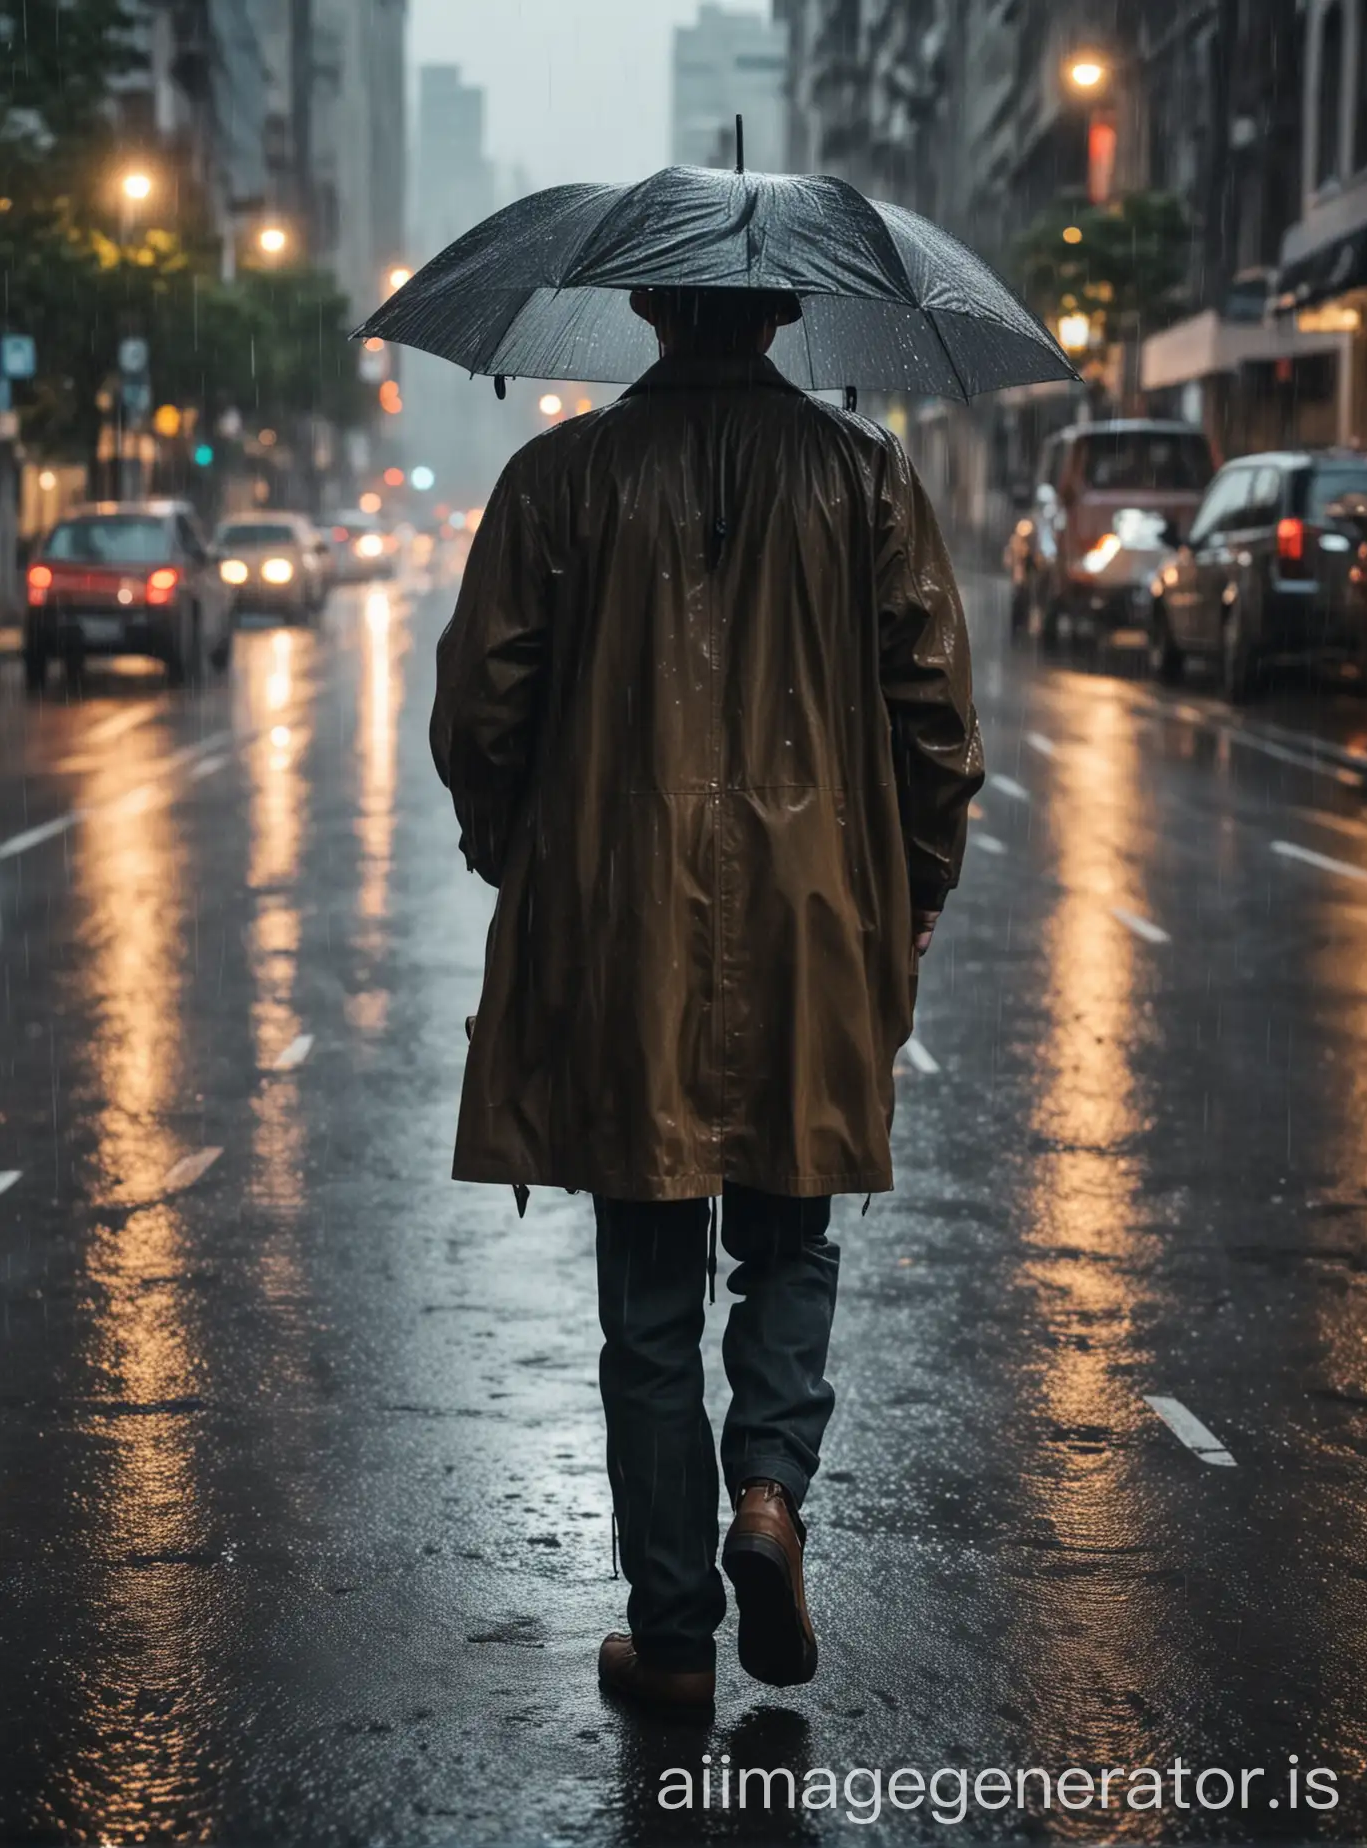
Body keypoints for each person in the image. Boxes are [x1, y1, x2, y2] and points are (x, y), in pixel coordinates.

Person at [429, 285, 984, 1715]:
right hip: (818, 918)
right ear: (788, 308)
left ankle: (672, 1641)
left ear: (642, 306)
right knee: (792, 1243)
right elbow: (936, 716)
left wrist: (525, 852)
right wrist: (911, 891)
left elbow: (480, 710)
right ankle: (770, 1499)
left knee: (648, 1300)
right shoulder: (865, 476)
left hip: (622, 925)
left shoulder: (561, 476)